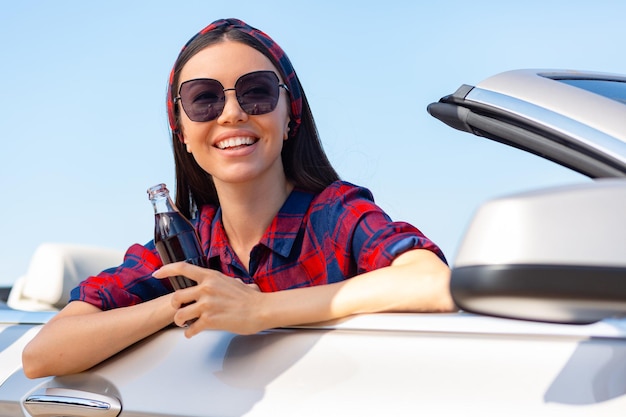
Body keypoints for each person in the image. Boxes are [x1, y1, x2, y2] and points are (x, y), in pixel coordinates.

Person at [22, 18, 455, 378]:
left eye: (257, 92)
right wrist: (183, 304)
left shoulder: (333, 214)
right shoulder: (183, 246)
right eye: (204, 100)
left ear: (290, 117)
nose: (232, 113)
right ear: (183, 133)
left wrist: (261, 309)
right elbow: (42, 355)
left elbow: (433, 282)